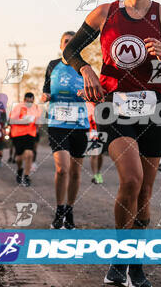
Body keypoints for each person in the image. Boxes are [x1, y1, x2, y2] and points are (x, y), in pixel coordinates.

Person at [63, 0, 161, 287]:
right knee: (130, 179)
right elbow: (70, 49)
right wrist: (86, 69)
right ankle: (120, 260)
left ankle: (135, 265)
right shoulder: (105, 12)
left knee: (145, 194)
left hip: (156, 108)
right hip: (113, 106)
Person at [42, 31, 90, 230]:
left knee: (76, 173)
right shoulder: (53, 66)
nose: (70, 45)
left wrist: (87, 94)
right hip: (58, 124)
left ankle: (69, 211)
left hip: (79, 124)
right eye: (66, 42)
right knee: (63, 169)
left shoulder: (85, 68)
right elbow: (45, 90)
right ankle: (59, 209)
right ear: (61, 46)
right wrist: (45, 96)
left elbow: (94, 93)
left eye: (74, 42)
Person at [9, 92, 41, 187]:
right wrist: (23, 122)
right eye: (28, 101)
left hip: (30, 134)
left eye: (31, 101)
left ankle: (26, 176)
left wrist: (37, 124)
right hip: (18, 134)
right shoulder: (18, 107)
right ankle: (19, 170)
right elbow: (11, 120)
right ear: (24, 100)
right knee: (19, 158)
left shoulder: (36, 108)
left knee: (30, 153)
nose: (29, 103)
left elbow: (38, 120)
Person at [87, 101, 104, 184]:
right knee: (94, 154)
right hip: (92, 130)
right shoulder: (87, 103)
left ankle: (98, 172)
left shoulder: (102, 101)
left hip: (102, 130)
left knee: (100, 154)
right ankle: (95, 175)